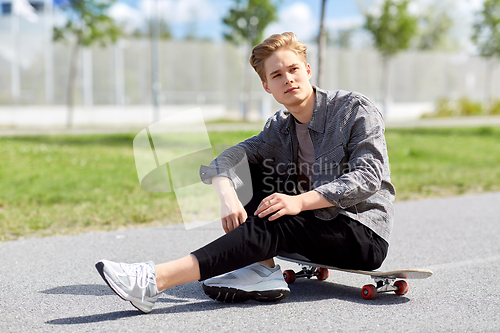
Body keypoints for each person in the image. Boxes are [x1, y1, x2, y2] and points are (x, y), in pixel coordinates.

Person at [95, 32, 396, 313]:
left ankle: (153, 280)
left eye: (293, 69)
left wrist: (299, 202)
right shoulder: (279, 126)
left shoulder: (353, 109)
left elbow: (367, 176)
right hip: (312, 224)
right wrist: (227, 196)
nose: (288, 79)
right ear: (267, 85)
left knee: (278, 217)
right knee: (247, 172)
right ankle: (262, 269)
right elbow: (230, 157)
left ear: (307, 69)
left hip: (360, 233)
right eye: (277, 75)